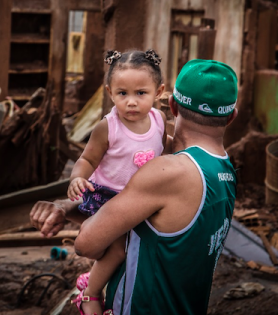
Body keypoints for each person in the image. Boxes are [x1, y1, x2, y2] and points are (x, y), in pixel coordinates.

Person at [30, 59, 239, 315]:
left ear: (171, 104)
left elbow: (87, 244)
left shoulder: (167, 172)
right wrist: (64, 208)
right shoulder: (224, 170)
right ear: (231, 117)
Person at [67, 49, 168, 315]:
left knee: (141, 246)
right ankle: (89, 296)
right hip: (108, 198)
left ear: (158, 92)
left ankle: (101, 280)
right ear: (110, 92)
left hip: (141, 198)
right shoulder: (108, 127)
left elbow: (162, 150)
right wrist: (78, 177)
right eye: (122, 93)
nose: (131, 102)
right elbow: (87, 159)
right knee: (119, 250)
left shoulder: (159, 120)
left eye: (141, 93)